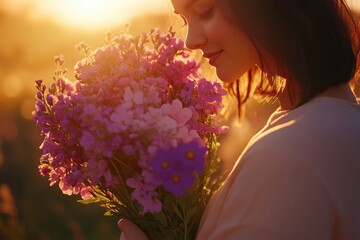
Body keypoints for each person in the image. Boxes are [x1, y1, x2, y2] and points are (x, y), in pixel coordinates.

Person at [119, 0, 360, 239]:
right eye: (184, 20)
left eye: (205, 11)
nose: (190, 41)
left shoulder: (290, 154)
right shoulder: (333, 124)